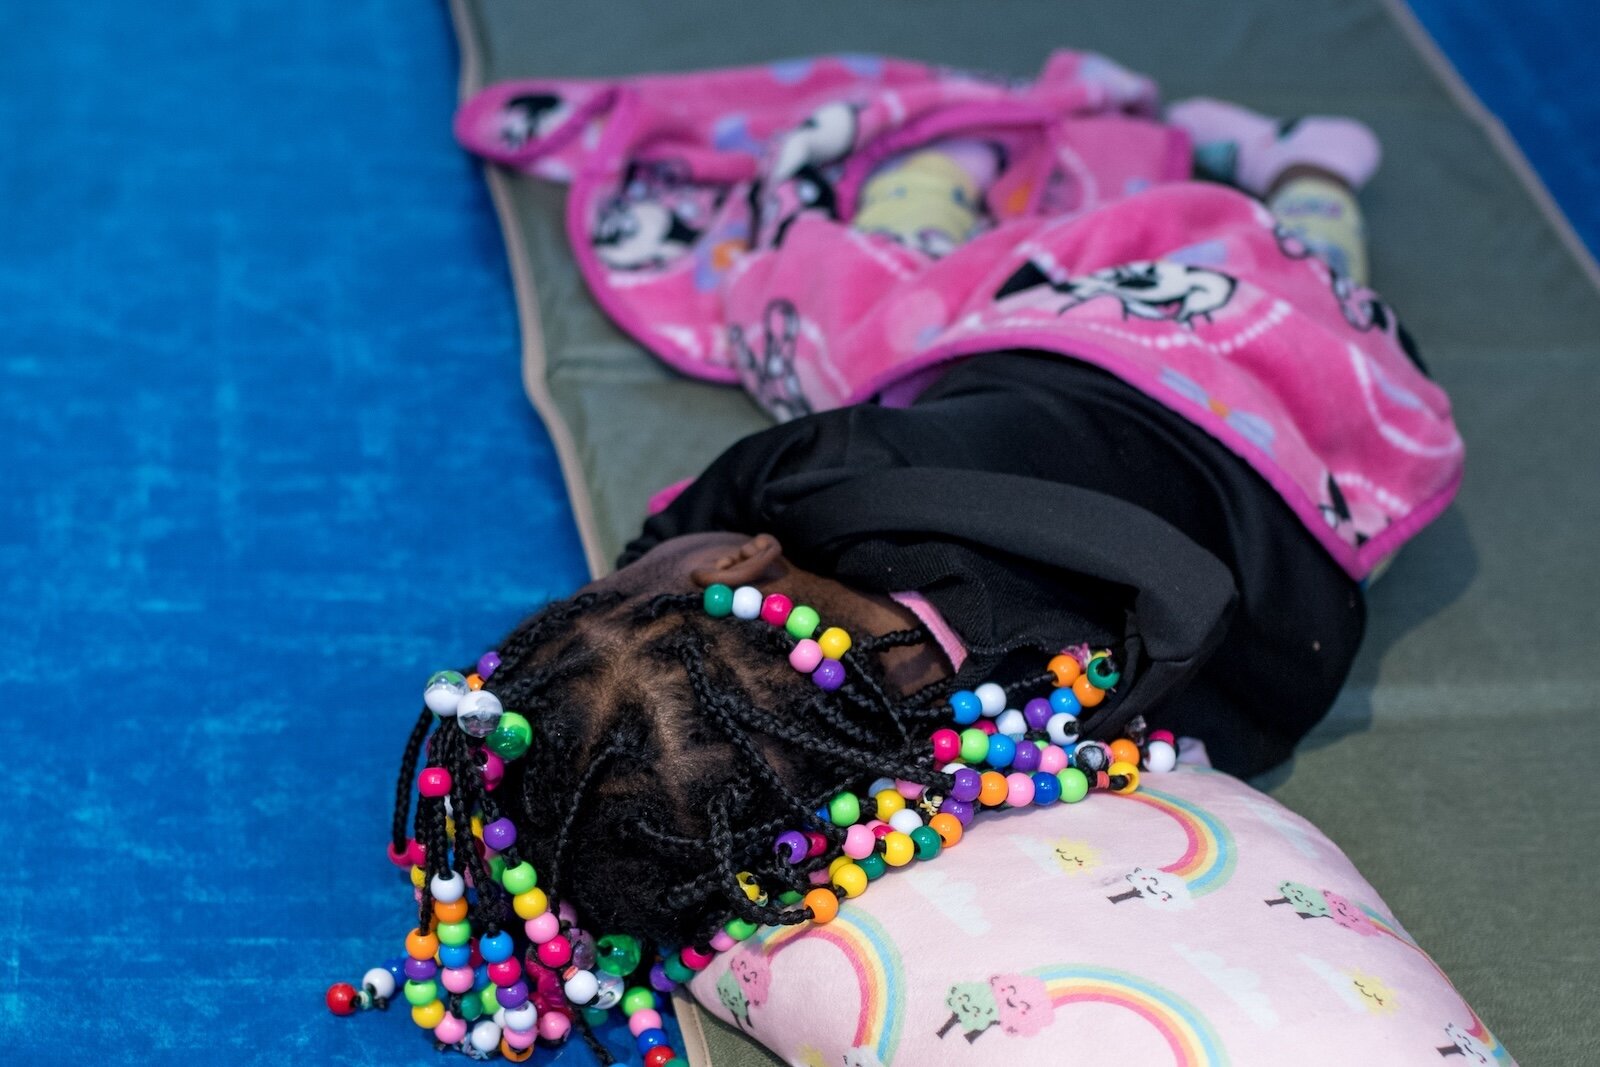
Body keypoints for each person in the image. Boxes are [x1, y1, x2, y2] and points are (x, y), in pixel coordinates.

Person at [331, 63, 1460, 1064]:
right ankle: (1009, 153)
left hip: (1292, 443)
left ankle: (1310, 170)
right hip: (1176, 349)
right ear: (734, 563)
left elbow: (1210, 612)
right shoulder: (830, 472)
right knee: (839, 287)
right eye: (624, 581)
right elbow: (701, 516)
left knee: (1326, 286)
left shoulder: (1025, 694)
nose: (625, 561)